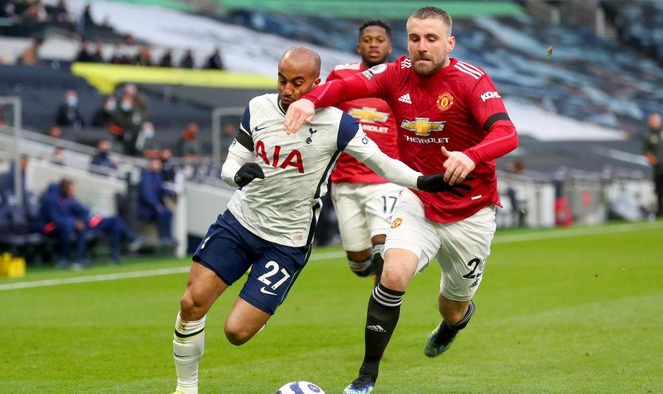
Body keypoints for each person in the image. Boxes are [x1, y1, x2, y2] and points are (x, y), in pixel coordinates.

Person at [169, 46, 468, 394]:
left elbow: (381, 162)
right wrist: (237, 175)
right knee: (191, 304)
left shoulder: (337, 123)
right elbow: (229, 166)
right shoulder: (258, 109)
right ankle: (185, 388)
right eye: (282, 80)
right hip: (239, 222)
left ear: (317, 83)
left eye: (298, 82)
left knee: (237, 333)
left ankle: (263, 306)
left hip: (287, 239)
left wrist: (421, 180)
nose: (287, 90)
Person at [282, 7, 519, 394]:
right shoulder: (396, 74)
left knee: (452, 306)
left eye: (431, 39)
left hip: (471, 211)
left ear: (449, 43)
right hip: (419, 199)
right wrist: (312, 100)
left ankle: (454, 322)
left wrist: (470, 155)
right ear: (406, 42)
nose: (421, 47)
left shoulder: (471, 81)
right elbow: (346, 87)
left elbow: (507, 133)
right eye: (414, 39)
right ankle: (366, 377)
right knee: (393, 273)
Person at [327, 20, 400, 282]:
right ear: (359, 46)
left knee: (383, 250)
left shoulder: (401, 79)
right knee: (358, 264)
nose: (373, 44)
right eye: (368, 39)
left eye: (379, 40)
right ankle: (376, 276)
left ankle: (383, 305)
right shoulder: (340, 75)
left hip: (384, 180)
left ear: (389, 47)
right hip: (345, 182)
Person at [35, 179, 90, 269]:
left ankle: (79, 258)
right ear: (65, 188)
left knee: (81, 228)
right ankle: (63, 259)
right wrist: (73, 223)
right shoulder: (52, 198)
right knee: (67, 228)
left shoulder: (68, 199)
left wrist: (79, 222)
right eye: (71, 189)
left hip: (59, 225)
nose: (73, 192)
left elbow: (84, 211)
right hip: (46, 227)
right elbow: (54, 218)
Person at [137, 158, 177, 246]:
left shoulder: (158, 175)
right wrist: (156, 205)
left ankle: (169, 237)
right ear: (151, 164)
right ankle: (163, 238)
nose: (159, 166)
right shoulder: (146, 176)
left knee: (169, 213)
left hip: (155, 207)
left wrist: (171, 192)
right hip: (146, 208)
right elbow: (147, 194)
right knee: (162, 212)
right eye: (156, 164)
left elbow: (160, 188)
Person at [643, 112, 663, 217]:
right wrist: (652, 160)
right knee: (659, 190)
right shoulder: (649, 136)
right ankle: (660, 212)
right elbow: (646, 151)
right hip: (659, 169)